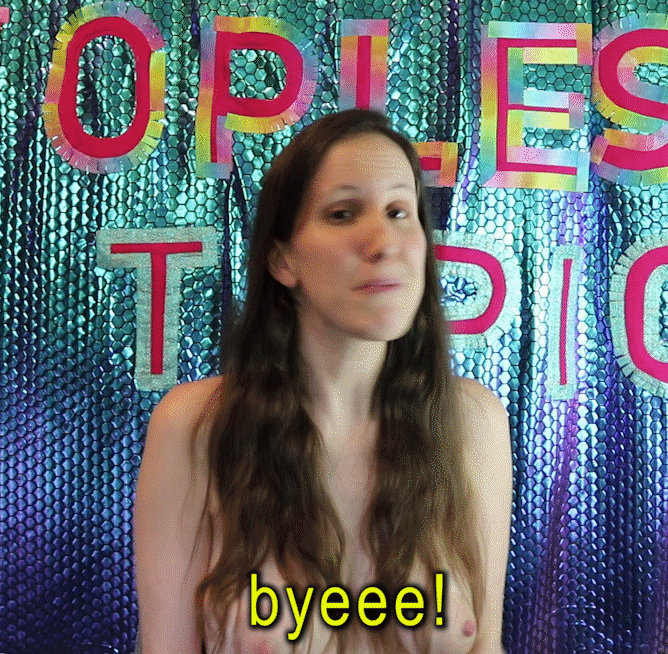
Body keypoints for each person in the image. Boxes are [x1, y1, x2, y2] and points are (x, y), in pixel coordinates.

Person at [134, 108, 513, 654]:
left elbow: (487, 645)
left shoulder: (472, 424)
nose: (383, 242)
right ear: (283, 260)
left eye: (399, 211)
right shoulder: (196, 426)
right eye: (342, 213)